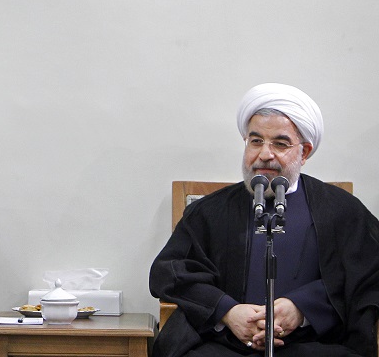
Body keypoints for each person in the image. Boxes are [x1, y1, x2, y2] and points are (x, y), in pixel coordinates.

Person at [149, 83, 379, 357]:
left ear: (304, 152)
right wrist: (227, 311)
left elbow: (367, 276)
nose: (265, 154)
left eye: (280, 144)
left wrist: (303, 307)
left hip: (313, 345)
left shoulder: (341, 210)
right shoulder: (209, 211)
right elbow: (169, 273)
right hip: (224, 345)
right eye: (256, 141)